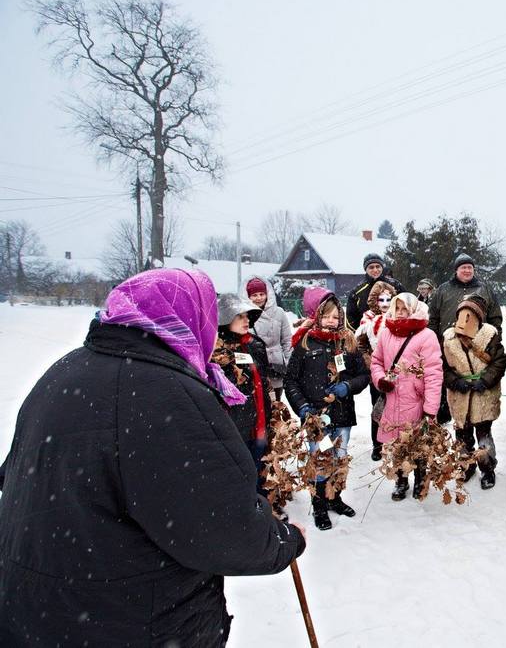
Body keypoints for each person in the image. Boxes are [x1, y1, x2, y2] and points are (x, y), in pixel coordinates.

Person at [0, 269, 305, 647]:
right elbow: (221, 528)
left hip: (35, 607)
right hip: (130, 621)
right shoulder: (168, 393)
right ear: (188, 317)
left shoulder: (63, 372)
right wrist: (283, 540)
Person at [285, 291, 371, 530]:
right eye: (327, 316)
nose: (332, 321)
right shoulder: (305, 343)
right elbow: (291, 380)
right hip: (315, 417)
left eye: (336, 316)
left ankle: (335, 498)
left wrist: (346, 386)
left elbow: (363, 376)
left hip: (342, 416)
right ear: (318, 316)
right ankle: (319, 503)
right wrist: (302, 407)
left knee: (339, 458)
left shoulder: (348, 342)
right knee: (319, 460)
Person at [371, 293, 443, 500]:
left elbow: (433, 375)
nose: (401, 313)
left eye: (405, 309)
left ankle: (420, 479)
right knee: (397, 444)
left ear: (414, 309)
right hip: (393, 401)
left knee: (418, 445)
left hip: (416, 402)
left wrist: (431, 409)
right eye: (398, 309)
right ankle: (401, 480)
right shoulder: (386, 333)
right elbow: (376, 362)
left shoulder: (426, 335)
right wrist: (380, 379)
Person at [442, 294, 506, 489]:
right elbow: (443, 366)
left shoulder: (489, 336)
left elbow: (499, 361)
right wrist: (455, 381)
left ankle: (487, 468)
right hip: (460, 396)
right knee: (462, 435)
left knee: (484, 435)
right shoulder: (449, 338)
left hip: (483, 396)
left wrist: (485, 381)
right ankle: (466, 466)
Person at [212, 293, 273, 494]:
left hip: (261, 421)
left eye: (248, 315)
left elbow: (263, 380)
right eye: (240, 316)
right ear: (225, 318)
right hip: (237, 426)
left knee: (259, 467)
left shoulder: (255, 344)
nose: (246, 319)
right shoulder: (216, 351)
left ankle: (264, 509)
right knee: (241, 473)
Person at [355, 280, 397, 460]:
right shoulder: (368, 319)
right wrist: (370, 361)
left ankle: (395, 440)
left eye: (389, 299)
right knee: (378, 406)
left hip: (397, 369)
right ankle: (377, 444)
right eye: (381, 300)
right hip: (377, 370)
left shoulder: (399, 316)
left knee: (397, 405)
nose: (385, 304)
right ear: (375, 301)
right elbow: (361, 343)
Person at [428, 254, 503, 337]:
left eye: (470, 267)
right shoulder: (442, 290)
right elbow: (432, 318)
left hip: (477, 344)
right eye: (464, 267)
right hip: (447, 342)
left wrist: (495, 341)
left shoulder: (485, 290)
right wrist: (433, 339)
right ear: (456, 270)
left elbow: (495, 319)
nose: (467, 270)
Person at [244, 276, 293, 401]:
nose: (259, 298)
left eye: (262, 294)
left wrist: (289, 364)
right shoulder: (244, 315)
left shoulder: (279, 313)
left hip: (276, 368)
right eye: (254, 295)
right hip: (255, 367)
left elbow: (287, 340)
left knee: (276, 404)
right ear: (248, 296)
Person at [345, 253, 403, 331]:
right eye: (371, 267)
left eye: (378, 266)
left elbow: (407, 305)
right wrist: (362, 332)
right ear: (366, 269)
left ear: (382, 267)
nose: (375, 270)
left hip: (394, 331)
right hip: (368, 335)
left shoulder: (395, 285)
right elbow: (350, 316)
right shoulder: (357, 291)